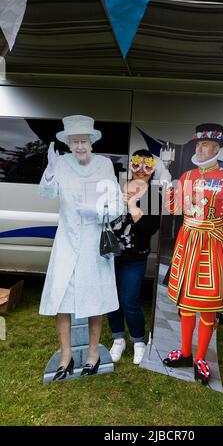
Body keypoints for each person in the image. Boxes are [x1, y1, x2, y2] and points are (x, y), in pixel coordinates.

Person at [39, 115, 123, 380]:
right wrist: (50, 171)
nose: (79, 146)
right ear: (68, 143)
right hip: (66, 241)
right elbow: (46, 194)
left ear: (91, 142)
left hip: (93, 243)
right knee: (61, 300)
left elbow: (118, 206)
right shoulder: (61, 164)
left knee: (94, 301)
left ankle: (92, 354)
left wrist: (98, 210)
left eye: (83, 141)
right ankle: (66, 356)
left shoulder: (104, 165)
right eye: (74, 141)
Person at [163, 124, 223, 385]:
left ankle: (200, 358)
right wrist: (167, 185)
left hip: (211, 247)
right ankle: (186, 353)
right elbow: (175, 209)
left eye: (206, 145)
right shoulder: (187, 177)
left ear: (217, 148)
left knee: (207, 308)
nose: (200, 148)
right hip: (187, 242)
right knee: (185, 304)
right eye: (198, 144)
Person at [108, 149, 169, 365]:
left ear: (153, 170)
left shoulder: (153, 195)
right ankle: (118, 339)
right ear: (131, 166)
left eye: (147, 166)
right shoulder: (116, 189)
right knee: (111, 299)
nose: (142, 170)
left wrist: (133, 205)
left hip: (135, 257)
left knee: (129, 299)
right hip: (110, 255)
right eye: (136, 165)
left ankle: (138, 341)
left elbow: (149, 229)